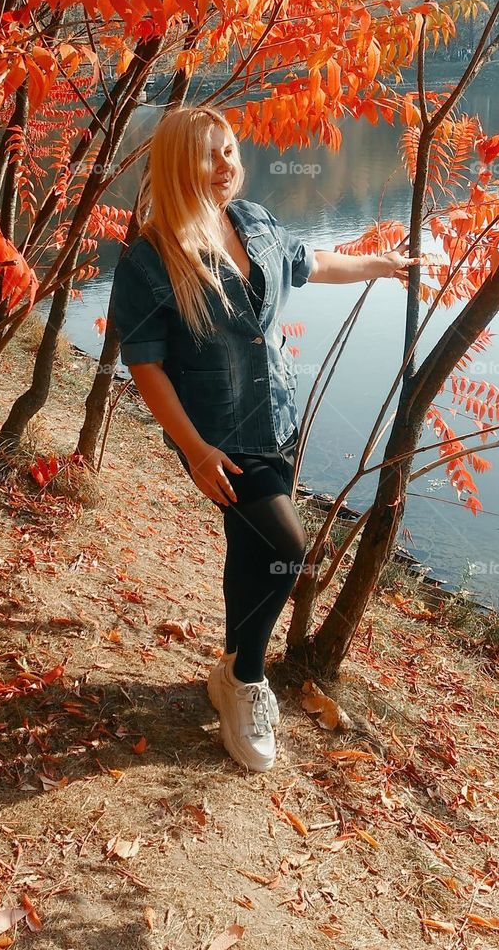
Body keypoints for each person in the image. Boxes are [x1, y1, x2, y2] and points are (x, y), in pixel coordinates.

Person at [108, 108, 418, 773]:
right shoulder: (150, 255)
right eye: (209, 155)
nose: (227, 165)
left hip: (276, 417)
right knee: (288, 546)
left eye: (231, 151)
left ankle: (229, 670)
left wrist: (379, 264)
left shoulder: (254, 222)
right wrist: (192, 449)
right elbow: (145, 364)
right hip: (217, 436)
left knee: (251, 552)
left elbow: (313, 262)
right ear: (174, 164)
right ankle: (246, 680)